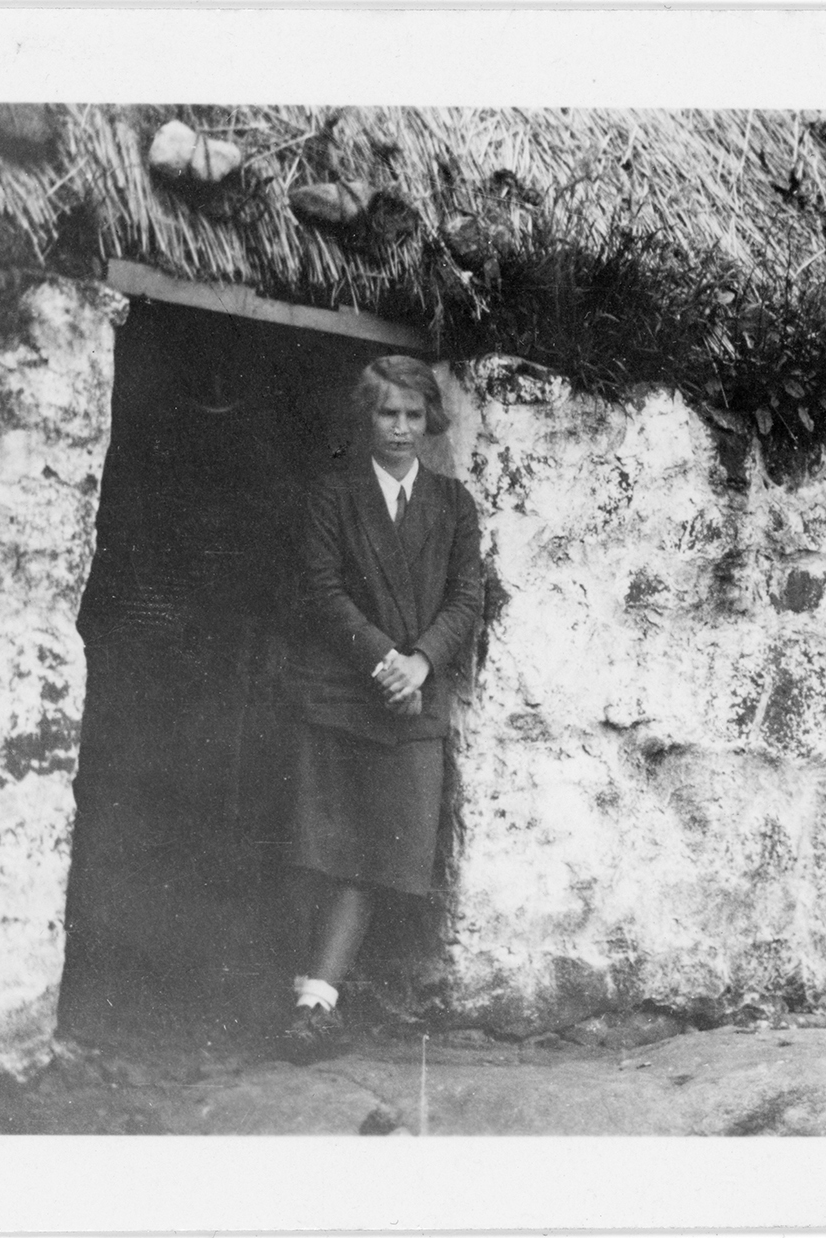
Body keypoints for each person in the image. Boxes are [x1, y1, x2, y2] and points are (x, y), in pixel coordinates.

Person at [279, 355, 485, 1061]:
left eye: (413, 415)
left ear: (431, 421)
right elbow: (320, 588)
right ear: (366, 420)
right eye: (386, 414)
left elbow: (467, 596)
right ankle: (313, 999)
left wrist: (421, 660)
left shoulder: (454, 505)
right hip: (342, 691)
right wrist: (382, 660)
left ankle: (317, 996)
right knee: (326, 849)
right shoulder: (332, 495)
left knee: (375, 856)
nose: (400, 428)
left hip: (411, 702)